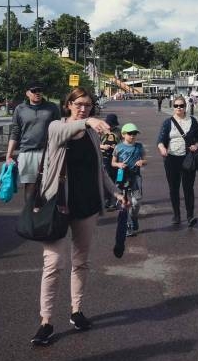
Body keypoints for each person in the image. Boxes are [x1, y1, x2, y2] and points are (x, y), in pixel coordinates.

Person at [30, 87, 127, 347]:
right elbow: (60, 133)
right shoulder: (56, 127)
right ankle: (46, 321)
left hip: (87, 204)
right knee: (52, 264)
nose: (84, 108)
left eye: (88, 105)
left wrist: (116, 193)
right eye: (79, 104)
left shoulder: (93, 136)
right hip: (58, 205)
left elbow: (100, 170)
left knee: (81, 261)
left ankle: (76, 310)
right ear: (68, 104)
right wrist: (88, 121)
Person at [5, 82, 60, 200]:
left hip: (48, 152)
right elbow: (15, 131)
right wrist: (9, 155)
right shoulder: (20, 109)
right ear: (27, 93)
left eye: (39, 90)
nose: (37, 93)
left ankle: (45, 215)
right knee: (30, 186)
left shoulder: (52, 107)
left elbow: (58, 129)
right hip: (27, 151)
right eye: (34, 91)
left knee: (48, 185)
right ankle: (29, 214)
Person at [156, 96, 198, 227]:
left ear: (185, 106)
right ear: (173, 107)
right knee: (174, 188)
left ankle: (190, 216)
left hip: (188, 158)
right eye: (176, 106)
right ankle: (176, 215)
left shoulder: (192, 121)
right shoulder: (167, 122)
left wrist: (196, 146)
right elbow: (160, 139)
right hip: (171, 158)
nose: (179, 108)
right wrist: (162, 148)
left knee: (188, 188)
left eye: (181, 105)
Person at [112, 123, 147, 236]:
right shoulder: (118, 147)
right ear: (123, 134)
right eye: (130, 133)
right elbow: (113, 163)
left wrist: (142, 162)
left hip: (135, 176)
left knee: (136, 202)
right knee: (125, 202)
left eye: (135, 133)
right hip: (122, 176)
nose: (133, 136)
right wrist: (119, 164)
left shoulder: (139, 146)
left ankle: (134, 217)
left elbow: (145, 160)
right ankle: (128, 226)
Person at [100, 113, 121, 210]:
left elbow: (123, 143)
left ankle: (115, 201)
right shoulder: (101, 131)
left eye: (113, 125)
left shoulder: (119, 131)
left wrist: (116, 147)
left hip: (117, 159)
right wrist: (103, 146)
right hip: (105, 158)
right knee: (106, 179)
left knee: (118, 179)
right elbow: (96, 143)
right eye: (110, 124)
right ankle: (106, 200)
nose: (111, 127)